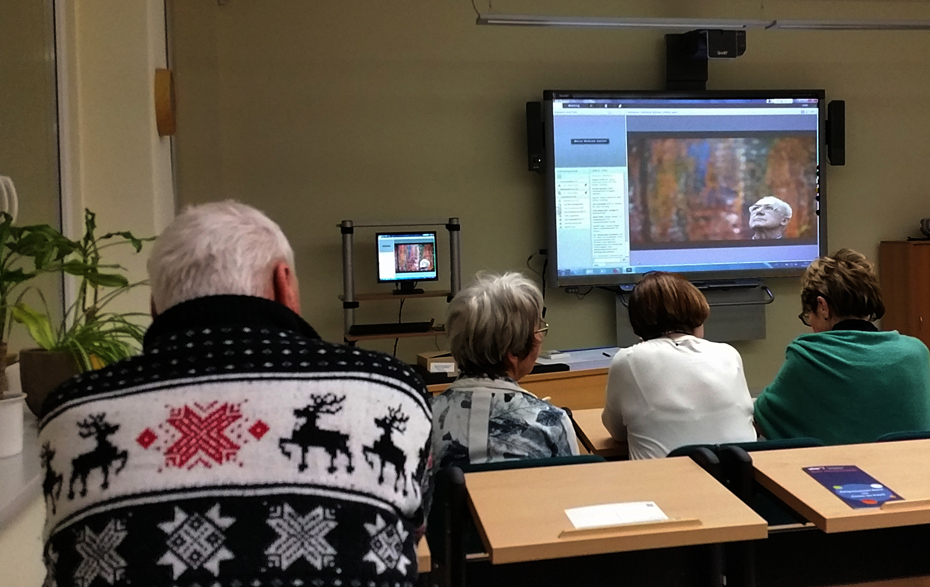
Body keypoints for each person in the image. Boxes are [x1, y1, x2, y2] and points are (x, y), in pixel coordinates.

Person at [38, 201, 431, 587]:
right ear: (284, 283)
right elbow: (414, 531)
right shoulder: (392, 389)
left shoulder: (69, 411)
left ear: (155, 307)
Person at [754, 249, 930, 445]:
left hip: (837, 474)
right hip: (910, 473)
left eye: (808, 315)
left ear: (822, 306)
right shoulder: (916, 353)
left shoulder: (809, 355)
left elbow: (762, 420)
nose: (811, 323)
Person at [430, 272, 578, 468]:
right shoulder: (552, 423)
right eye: (538, 332)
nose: (540, 339)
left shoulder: (422, 418)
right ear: (514, 353)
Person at [602, 272, 756, 459]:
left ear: (637, 325)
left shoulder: (628, 359)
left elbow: (617, 433)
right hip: (738, 481)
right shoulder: (729, 353)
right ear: (698, 318)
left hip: (663, 483)